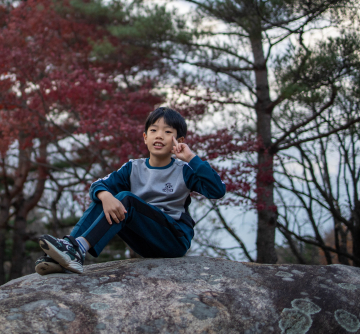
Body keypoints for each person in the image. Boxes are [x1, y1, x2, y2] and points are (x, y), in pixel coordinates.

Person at [35, 107, 225, 275]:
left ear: (179, 141)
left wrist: (191, 157)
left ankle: (78, 249)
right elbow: (98, 185)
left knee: (126, 199)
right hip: (144, 242)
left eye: (167, 132)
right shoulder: (133, 168)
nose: (159, 136)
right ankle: (69, 250)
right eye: (153, 130)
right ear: (145, 137)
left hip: (173, 240)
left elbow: (217, 190)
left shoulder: (184, 171)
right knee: (105, 198)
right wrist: (105, 196)